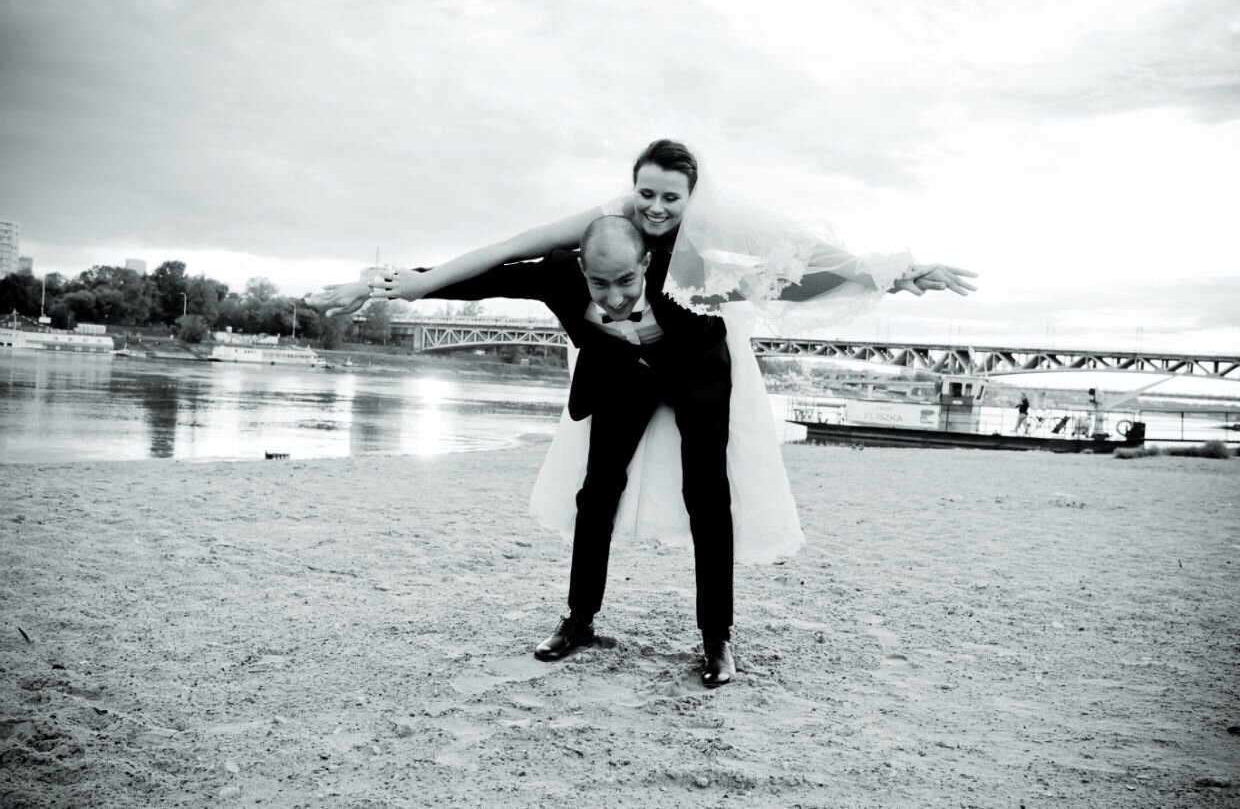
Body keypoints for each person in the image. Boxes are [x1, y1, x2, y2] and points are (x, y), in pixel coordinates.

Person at [307, 139, 977, 687]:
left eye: (669, 198)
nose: (614, 295)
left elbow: (796, 279)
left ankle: (716, 638)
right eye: (645, 195)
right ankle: (579, 619)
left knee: (707, 498)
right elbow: (485, 272)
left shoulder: (698, 266)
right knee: (596, 492)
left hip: (695, 372)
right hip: (620, 376)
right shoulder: (565, 267)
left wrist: (893, 275)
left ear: (659, 246)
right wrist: (389, 285)